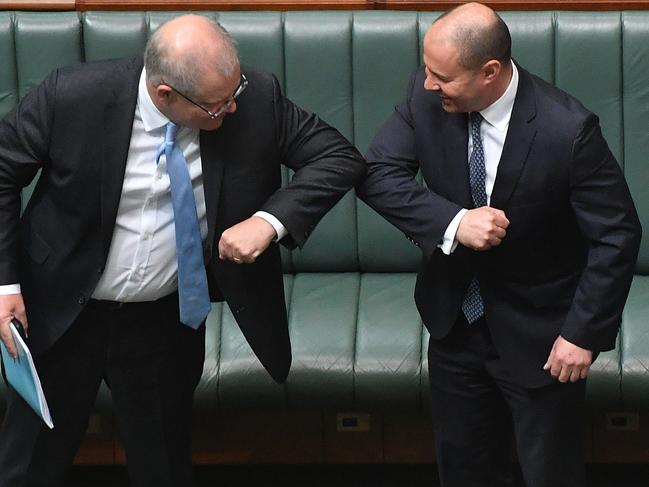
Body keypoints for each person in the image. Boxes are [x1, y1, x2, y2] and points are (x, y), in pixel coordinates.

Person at [0, 14, 365, 487]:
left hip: (161, 323)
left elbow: (338, 158)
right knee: (29, 466)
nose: (232, 109)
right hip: (59, 310)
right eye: (216, 106)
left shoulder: (253, 100)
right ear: (164, 93)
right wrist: (5, 283)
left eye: (236, 92)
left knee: (164, 468)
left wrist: (267, 222)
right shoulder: (73, 95)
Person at [357, 3, 641, 486]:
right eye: (427, 71)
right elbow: (376, 174)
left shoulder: (567, 130)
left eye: (442, 76)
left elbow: (616, 235)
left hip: (544, 337)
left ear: (489, 72)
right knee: (464, 470)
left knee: (549, 474)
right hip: (454, 326)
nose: (428, 84)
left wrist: (582, 334)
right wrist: (453, 221)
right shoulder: (425, 96)